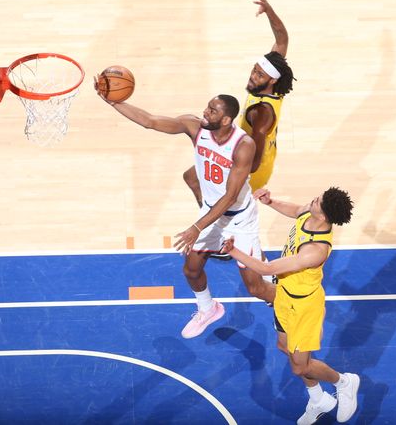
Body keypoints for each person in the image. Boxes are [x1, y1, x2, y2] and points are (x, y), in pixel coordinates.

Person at [99, 92, 273, 338]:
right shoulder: (196, 128)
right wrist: (114, 102)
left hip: (239, 219)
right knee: (191, 269)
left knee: (255, 287)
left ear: (226, 120)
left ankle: (287, 302)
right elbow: (150, 120)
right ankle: (208, 308)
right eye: (207, 107)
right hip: (212, 213)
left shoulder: (243, 146)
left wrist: (197, 227)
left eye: (212, 111)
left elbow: (230, 197)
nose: (205, 112)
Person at [220, 186, 359, 425]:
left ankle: (344, 382)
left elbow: (267, 269)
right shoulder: (311, 212)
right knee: (284, 347)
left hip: (304, 308)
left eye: (319, 201)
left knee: (299, 367)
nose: (314, 199)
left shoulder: (315, 250)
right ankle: (318, 399)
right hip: (285, 297)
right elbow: (296, 210)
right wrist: (270, 202)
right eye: (319, 196)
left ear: (324, 216)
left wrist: (234, 251)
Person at [184, 0, 295, 262]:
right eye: (254, 69)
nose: (252, 74)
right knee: (192, 176)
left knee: (221, 194)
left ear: (269, 81)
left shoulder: (260, 114)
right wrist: (269, 10)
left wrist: (239, 168)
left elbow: (253, 160)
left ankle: (221, 234)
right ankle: (219, 226)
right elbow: (282, 39)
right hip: (258, 152)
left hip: (253, 163)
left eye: (258, 74)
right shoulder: (272, 81)